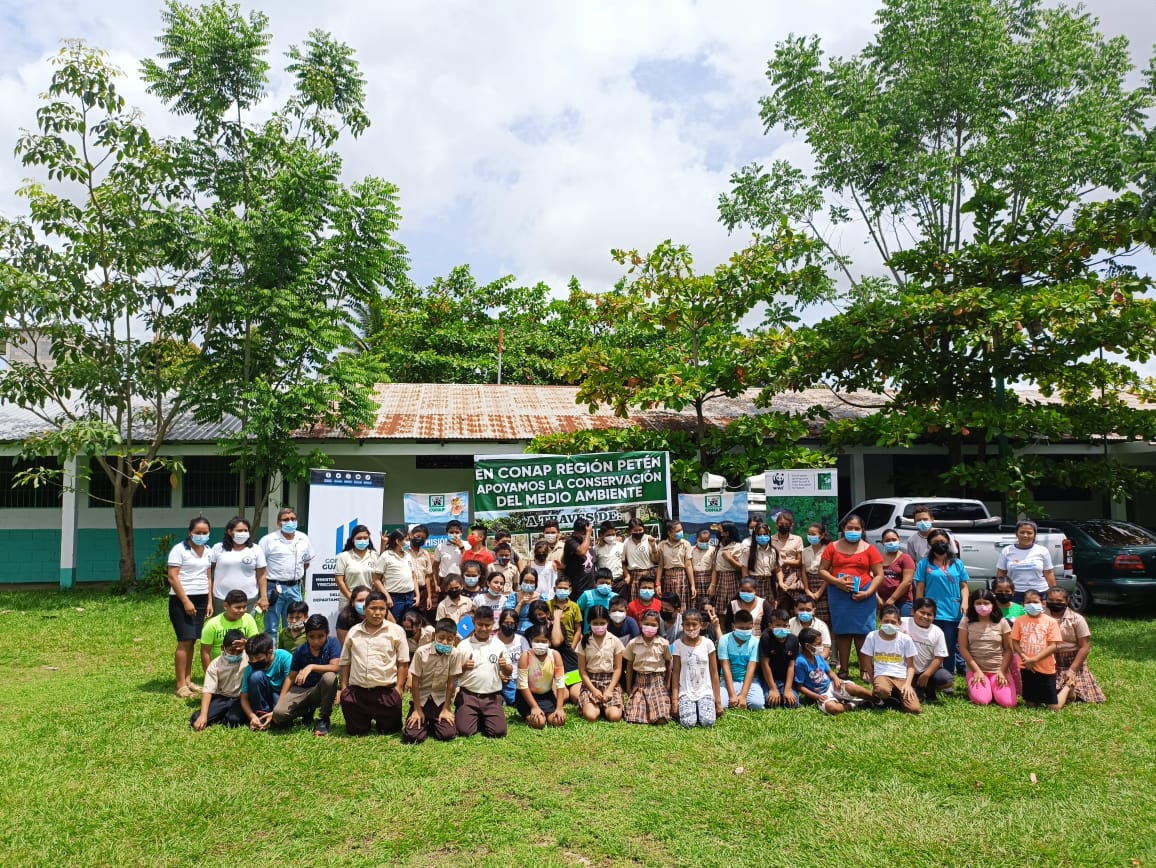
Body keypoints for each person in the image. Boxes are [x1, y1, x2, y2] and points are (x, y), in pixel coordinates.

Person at [820, 514, 884, 681]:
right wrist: (837, 582)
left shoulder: (870, 549)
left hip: (863, 593)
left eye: (857, 529)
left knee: (863, 631)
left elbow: (879, 574)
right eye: (850, 528)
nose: (853, 531)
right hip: (838, 593)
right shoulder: (832, 547)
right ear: (843, 529)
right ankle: (844, 669)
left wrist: (868, 593)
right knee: (842, 632)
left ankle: (864, 668)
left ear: (862, 530)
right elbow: (822, 570)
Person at [339, 591, 410, 735]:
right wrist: (344, 689)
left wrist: (398, 689)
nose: (377, 613)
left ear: (386, 610)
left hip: (386, 692)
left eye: (382, 609)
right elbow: (345, 661)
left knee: (389, 731)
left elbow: (403, 662)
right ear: (365, 609)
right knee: (357, 731)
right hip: (357, 693)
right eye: (373, 608)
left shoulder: (396, 631)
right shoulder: (354, 632)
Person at [272, 614, 341, 734]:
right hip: (301, 690)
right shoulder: (300, 650)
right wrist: (280, 702)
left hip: (320, 690)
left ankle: (323, 719)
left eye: (320, 636)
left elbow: (335, 667)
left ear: (327, 633)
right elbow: (291, 677)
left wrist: (312, 666)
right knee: (278, 714)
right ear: (306, 635)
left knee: (329, 677)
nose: (316, 641)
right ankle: (306, 710)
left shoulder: (333, 644)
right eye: (311, 637)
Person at [167, 516, 213, 698]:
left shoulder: (208, 550)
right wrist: (186, 601)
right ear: (190, 533)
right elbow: (173, 577)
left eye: (205, 533)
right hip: (181, 599)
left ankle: (188, 680)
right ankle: (180, 685)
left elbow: (208, 577)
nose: (201, 536)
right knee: (184, 639)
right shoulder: (179, 550)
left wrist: (209, 601)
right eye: (197, 533)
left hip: (201, 599)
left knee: (193, 639)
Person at [452, 606, 513, 738]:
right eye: (480, 624)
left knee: (498, 732)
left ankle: (482, 717)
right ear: (474, 623)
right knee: (464, 731)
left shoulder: (498, 645)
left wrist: (505, 666)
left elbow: (509, 672)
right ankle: (469, 713)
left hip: (491, 697)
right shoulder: (463, 645)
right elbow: (453, 674)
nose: (484, 629)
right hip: (469, 695)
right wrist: (463, 667)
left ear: (493, 624)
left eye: (487, 625)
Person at [914, 528, 970, 674]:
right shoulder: (924, 564)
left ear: (948, 542)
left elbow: (964, 586)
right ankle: (928, 674)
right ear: (929, 545)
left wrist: (965, 603)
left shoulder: (957, 564)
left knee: (949, 645)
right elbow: (920, 588)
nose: (939, 544)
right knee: (929, 644)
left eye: (942, 542)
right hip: (930, 611)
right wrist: (917, 608)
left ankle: (947, 676)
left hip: (953, 610)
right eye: (935, 542)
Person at [402, 618, 462, 744]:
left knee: (448, 734)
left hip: (439, 700)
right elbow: (415, 682)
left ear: (454, 638)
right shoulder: (421, 652)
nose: (445, 642)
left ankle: (431, 722)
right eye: (441, 638)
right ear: (434, 635)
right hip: (421, 699)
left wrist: (446, 708)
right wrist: (417, 709)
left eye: (449, 639)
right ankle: (423, 719)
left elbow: (451, 683)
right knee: (413, 736)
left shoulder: (455, 654)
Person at [259, 507, 315, 641]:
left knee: (294, 624)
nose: (290, 522)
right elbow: (260, 568)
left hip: (294, 588)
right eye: (286, 520)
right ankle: (271, 656)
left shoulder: (303, 538)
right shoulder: (268, 540)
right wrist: (263, 595)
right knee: (271, 627)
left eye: (293, 519)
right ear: (279, 523)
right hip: (274, 588)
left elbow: (306, 563)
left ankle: (291, 654)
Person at [1046, 587, 1105, 706]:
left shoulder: (1077, 619)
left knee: (1080, 694)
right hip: (1049, 660)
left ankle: (1069, 686)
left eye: (1059, 601)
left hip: (1072, 661)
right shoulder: (1042, 617)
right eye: (1051, 600)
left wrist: (1072, 670)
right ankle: (1067, 688)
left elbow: (1085, 647)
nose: (1055, 603)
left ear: (1067, 601)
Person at [793, 627, 873, 715]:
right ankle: (854, 704)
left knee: (851, 687)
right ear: (808, 646)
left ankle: (876, 699)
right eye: (818, 644)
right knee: (832, 708)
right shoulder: (800, 662)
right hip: (821, 694)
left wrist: (836, 679)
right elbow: (800, 687)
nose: (822, 646)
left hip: (832, 686)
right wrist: (817, 696)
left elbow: (830, 672)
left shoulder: (817, 656)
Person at [958, 590, 1016, 708]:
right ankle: (984, 689)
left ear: (993, 604)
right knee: (982, 701)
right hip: (976, 669)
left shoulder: (1002, 622)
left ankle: (993, 688)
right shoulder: (966, 622)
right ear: (972, 605)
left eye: (986, 603)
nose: (982, 606)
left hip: (998, 668)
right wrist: (977, 671)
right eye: (978, 603)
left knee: (1008, 703)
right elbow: (963, 648)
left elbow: (1009, 649)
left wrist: (1002, 671)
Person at [860, 606, 921, 714]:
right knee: (881, 690)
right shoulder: (872, 636)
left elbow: (911, 666)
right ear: (880, 621)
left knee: (914, 709)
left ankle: (895, 697)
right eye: (886, 621)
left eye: (893, 622)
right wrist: (874, 681)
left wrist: (908, 684)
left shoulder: (905, 639)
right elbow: (867, 662)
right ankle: (887, 695)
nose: (889, 624)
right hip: (882, 675)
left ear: (899, 623)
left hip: (901, 677)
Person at [209, 516, 268, 624]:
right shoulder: (218, 548)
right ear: (230, 532)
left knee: (245, 632)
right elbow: (208, 573)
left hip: (248, 600)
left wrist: (264, 597)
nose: (243, 533)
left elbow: (262, 575)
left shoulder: (255, 549)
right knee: (221, 631)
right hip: (221, 599)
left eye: (246, 530)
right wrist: (209, 599)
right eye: (239, 530)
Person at [1010, 589, 1062, 710]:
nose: (1032, 605)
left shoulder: (1051, 622)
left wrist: (1034, 660)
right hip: (1026, 666)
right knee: (1031, 704)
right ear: (1023, 605)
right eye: (1028, 602)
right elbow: (1015, 642)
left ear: (1043, 603)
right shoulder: (1019, 621)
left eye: (1035, 602)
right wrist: (1025, 658)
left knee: (1053, 707)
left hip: (1046, 668)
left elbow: (1053, 646)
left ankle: (1067, 689)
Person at [671, 608, 722, 728]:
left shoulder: (708, 644)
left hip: (705, 691)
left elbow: (714, 673)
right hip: (686, 692)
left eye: (694, 624)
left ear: (701, 625)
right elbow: (676, 673)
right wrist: (674, 700)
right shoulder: (678, 645)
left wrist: (718, 701)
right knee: (688, 723)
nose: (691, 628)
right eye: (687, 625)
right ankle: (693, 708)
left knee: (708, 722)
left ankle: (701, 707)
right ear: (682, 625)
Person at [190, 629, 248, 730]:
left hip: (241, 698)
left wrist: (248, 644)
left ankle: (226, 715)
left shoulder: (249, 657)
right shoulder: (215, 664)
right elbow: (208, 690)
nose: (235, 654)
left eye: (239, 651)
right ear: (223, 648)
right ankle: (221, 713)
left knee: (232, 721)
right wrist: (203, 715)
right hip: (223, 697)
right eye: (231, 651)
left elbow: (266, 650)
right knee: (196, 719)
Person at [576, 605, 625, 722]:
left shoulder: (615, 641)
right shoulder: (584, 642)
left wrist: (609, 690)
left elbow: (618, 669)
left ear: (607, 622)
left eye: (602, 623)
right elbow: (582, 671)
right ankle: (597, 706)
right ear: (589, 623)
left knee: (614, 717)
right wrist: (593, 690)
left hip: (610, 682)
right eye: (595, 623)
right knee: (590, 716)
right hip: (591, 682)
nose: (599, 626)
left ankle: (606, 705)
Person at [624, 610, 672, 725]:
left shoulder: (663, 643)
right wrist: (629, 688)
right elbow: (629, 667)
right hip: (640, 682)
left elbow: (668, 663)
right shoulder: (633, 643)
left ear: (658, 626)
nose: (649, 627)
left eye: (653, 625)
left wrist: (667, 683)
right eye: (646, 624)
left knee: (662, 718)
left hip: (658, 682)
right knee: (633, 718)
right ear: (640, 624)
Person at [516, 623, 569, 728]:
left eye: (544, 641)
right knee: (539, 722)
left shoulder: (555, 655)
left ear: (549, 642)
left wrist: (559, 707)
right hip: (527, 698)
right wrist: (534, 707)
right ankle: (530, 714)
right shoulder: (525, 656)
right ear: (531, 640)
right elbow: (522, 685)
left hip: (547, 696)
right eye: (537, 641)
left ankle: (546, 713)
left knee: (558, 721)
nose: (540, 644)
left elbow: (560, 683)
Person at [901, 598, 954, 701]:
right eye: (922, 612)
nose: (925, 616)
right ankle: (918, 688)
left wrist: (927, 674)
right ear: (913, 611)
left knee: (946, 680)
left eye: (929, 614)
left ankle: (928, 684)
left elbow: (939, 657)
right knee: (913, 698)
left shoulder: (937, 632)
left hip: (925, 670)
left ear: (934, 616)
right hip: (903, 671)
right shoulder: (902, 623)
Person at [238, 633, 292, 730]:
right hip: (263, 698)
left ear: (270, 652)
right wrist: (252, 716)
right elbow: (244, 698)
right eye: (250, 658)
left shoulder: (284, 657)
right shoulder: (250, 668)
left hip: (284, 696)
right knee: (256, 677)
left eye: (258, 658)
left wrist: (276, 711)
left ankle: (274, 717)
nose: (254, 661)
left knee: (282, 720)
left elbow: (292, 685)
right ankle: (262, 716)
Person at [199, 589, 260, 672]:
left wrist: (246, 644)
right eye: (238, 607)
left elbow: (256, 645)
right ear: (226, 606)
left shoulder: (248, 619)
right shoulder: (212, 624)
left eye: (244, 607)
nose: (242, 610)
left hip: (243, 665)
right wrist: (210, 675)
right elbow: (205, 652)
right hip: (220, 667)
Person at [996, 520, 1056, 602]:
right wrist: (1000, 590)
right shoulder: (1007, 550)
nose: (1025, 535)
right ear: (1016, 534)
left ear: (1034, 535)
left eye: (1029, 533)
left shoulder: (1042, 550)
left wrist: (1053, 592)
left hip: (1039, 593)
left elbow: (1049, 573)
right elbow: (1001, 573)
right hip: (1015, 594)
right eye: (1022, 532)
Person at [717, 608, 765, 710]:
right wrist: (732, 695)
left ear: (752, 626)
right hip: (728, 681)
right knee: (721, 703)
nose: (744, 631)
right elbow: (726, 668)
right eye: (741, 628)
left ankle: (742, 697)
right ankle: (735, 696)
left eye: (747, 628)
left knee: (757, 704)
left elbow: (751, 669)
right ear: (733, 626)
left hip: (750, 681)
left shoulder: (755, 642)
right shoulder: (724, 640)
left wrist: (743, 695)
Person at [547, 577, 584, 702]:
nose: (562, 590)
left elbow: (578, 629)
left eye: (565, 588)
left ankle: (571, 685)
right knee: (562, 696)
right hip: (553, 648)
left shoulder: (574, 607)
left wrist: (572, 648)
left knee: (576, 696)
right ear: (554, 589)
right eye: (559, 588)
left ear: (570, 590)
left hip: (569, 649)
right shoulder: (548, 605)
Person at [758, 609, 800, 708]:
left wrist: (788, 689)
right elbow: (765, 664)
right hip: (768, 679)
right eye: (778, 625)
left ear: (789, 626)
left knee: (793, 704)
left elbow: (791, 666)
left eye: (785, 626)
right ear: (770, 626)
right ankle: (774, 692)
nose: (781, 628)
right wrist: (772, 688)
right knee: (770, 702)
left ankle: (783, 693)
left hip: (785, 679)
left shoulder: (793, 640)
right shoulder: (766, 638)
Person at [378, 529, 420, 623]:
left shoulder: (408, 555)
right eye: (406, 540)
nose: (409, 543)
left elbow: (413, 576)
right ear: (397, 541)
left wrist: (417, 595)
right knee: (394, 625)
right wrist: (387, 596)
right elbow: (376, 579)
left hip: (410, 597)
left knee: (409, 624)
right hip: (394, 598)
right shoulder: (386, 556)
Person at [334, 525, 379, 601]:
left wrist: (371, 597)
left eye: (365, 538)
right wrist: (351, 597)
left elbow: (378, 579)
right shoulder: (344, 556)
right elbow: (339, 580)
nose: (362, 540)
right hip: (348, 599)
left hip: (369, 600)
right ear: (353, 540)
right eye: (359, 538)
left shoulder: (375, 555)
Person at [771, 510, 805, 610]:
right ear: (776, 525)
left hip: (793, 575)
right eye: (781, 524)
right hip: (776, 575)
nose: (784, 526)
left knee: (795, 604)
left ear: (791, 525)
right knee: (779, 605)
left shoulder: (797, 539)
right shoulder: (771, 539)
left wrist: (782, 561)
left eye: (787, 524)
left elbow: (799, 562)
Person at [877, 529, 915, 617]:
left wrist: (892, 599)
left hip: (903, 602)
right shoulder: (878, 559)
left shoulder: (905, 558)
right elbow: (872, 579)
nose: (891, 542)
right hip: (882, 602)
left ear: (899, 540)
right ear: (882, 542)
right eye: (887, 540)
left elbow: (907, 582)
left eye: (894, 540)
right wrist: (878, 598)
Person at [495, 607, 529, 705]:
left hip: (520, 678)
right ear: (500, 623)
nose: (509, 626)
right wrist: (499, 675)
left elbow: (528, 659)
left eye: (512, 623)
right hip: (503, 678)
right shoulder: (493, 641)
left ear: (516, 624)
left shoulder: (521, 640)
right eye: (506, 623)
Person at [709, 521, 744, 614]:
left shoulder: (738, 546)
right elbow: (715, 568)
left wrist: (729, 558)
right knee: (720, 611)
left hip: (733, 579)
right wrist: (713, 586)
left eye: (720, 530)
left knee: (734, 610)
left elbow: (741, 568)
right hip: (721, 580)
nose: (718, 533)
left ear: (727, 533)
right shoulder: (718, 547)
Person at [743, 521, 783, 603]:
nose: (762, 536)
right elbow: (744, 570)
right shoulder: (748, 551)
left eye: (765, 534)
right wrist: (748, 586)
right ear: (755, 536)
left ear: (769, 535)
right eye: (759, 534)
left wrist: (781, 582)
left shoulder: (773, 551)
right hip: (753, 582)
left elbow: (778, 569)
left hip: (768, 583)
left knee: (768, 609)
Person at [801, 522, 831, 627]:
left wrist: (819, 592)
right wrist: (807, 590)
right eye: (809, 534)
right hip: (809, 584)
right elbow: (804, 571)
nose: (810, 536)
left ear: (822, 536)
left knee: (825, 619)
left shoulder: (828, 549)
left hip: (824, 584)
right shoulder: (805, 551)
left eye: (813, 534)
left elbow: (829, 572)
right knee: (810, 617)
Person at [657, 520, 694, 605]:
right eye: (677, 531)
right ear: (669, 533)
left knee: (681, 604)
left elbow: (688, 565)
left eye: (681, 530)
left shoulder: (686, 544)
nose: (680, 532)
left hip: (682, 577)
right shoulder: (661, 545)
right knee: (669, 604)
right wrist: (658, 584)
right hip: (667, 577)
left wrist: (692, 585)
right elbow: (660, 565)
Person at [622, 517, 659, 599]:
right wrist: (627, 575)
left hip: (649, 574)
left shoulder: (649, 539)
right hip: (634, 576)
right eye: (635, 530)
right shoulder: (626, 542)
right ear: (630, 531)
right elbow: (623, 562)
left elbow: (656, 560)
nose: (638, 532)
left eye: (640, 530)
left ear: (643, 529)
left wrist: (653, 546)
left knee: (651, 600)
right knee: (635, 601)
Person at [405, 525, 435, 616]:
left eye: (423, 538)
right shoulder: (404, 551)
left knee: (421, 617)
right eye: (417, 536)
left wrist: (429, 597)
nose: (419, 539)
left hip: (422, 591)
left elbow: (427, 576)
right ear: (411, 535)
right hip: (408, 591)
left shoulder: (425, 554)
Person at [562, 517, 595, 596]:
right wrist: (588, 533)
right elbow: (582, 551)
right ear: (576, 532)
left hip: (591, 588)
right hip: (577, 589)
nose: (584, 535)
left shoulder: (588, 543)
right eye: (583, 533)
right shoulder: (570, 542)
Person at [593, 521, 626, 597]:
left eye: (613, 534)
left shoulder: (621, 546)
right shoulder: (596, 548)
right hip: (603, 584)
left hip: (619, 582)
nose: (611, 537)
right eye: (608, 535)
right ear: (601, 535)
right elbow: (593, 565)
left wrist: (627, 577)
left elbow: (624, 563)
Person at [433, 520, 466, 594]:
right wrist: (436, 584)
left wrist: (461, 547)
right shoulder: (440, 547)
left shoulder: (467, 545)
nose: (454, 534)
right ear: (446, 533)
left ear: (461, 533)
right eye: (451, 532)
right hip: (445, 581)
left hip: (461, 581)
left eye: (457, 532)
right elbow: (435, 566)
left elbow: (469, 563)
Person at [690, 528, 717, 609]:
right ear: (696, 539)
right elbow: (689, 566)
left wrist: (712, 584)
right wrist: (692, 585)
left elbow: (714, 568)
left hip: (708, 580)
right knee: (696, 604)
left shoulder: (713, 550)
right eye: (701, 541)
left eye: (706, 541)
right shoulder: (691, 550)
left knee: (709, 603)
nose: (704, 543)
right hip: (695, 579)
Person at [514, 568, 541, 633]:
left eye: (532, 582)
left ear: (536, 583)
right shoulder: (514, 596)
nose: (528, 584)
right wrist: (520, 604)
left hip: (535, 632)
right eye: (526, 581)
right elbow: (511, 617)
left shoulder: (541, 597)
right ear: (521, 581)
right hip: (517, 631)